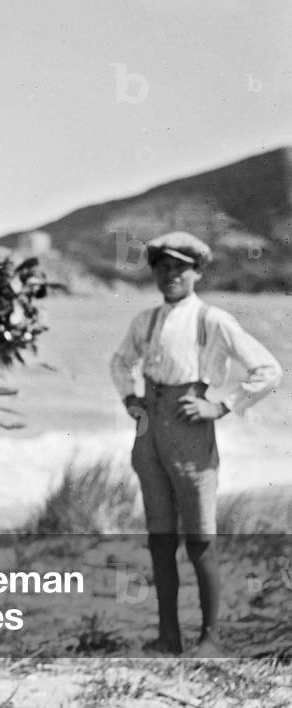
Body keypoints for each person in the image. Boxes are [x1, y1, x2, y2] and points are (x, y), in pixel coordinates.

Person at [109, 231, 282, 657]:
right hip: (149, 433)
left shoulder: (213, 320)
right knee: (160, 537)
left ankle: (210, 639)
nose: (170, 276)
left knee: (201, 536)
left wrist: (221, 406)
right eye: (162, 268)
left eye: (179, 268)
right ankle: (169, 637)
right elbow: (119, 362)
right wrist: (131, 399)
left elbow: (268, 370)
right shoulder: (145, 320)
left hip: (191, 430)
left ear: (197, 273)